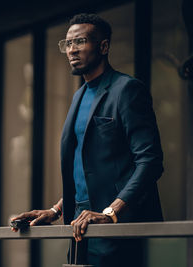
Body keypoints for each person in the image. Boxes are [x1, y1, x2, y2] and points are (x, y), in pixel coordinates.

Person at [11, 13, 163, 267]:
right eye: (68, 43)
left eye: (80, 41)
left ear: (103, 46)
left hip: (120, 231)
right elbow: (88, 169)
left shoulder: (126, 90)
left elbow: (150, 161)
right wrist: (56, 210)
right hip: (81, 230)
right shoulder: (79, 96)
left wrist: (111, 212)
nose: (72, 50)